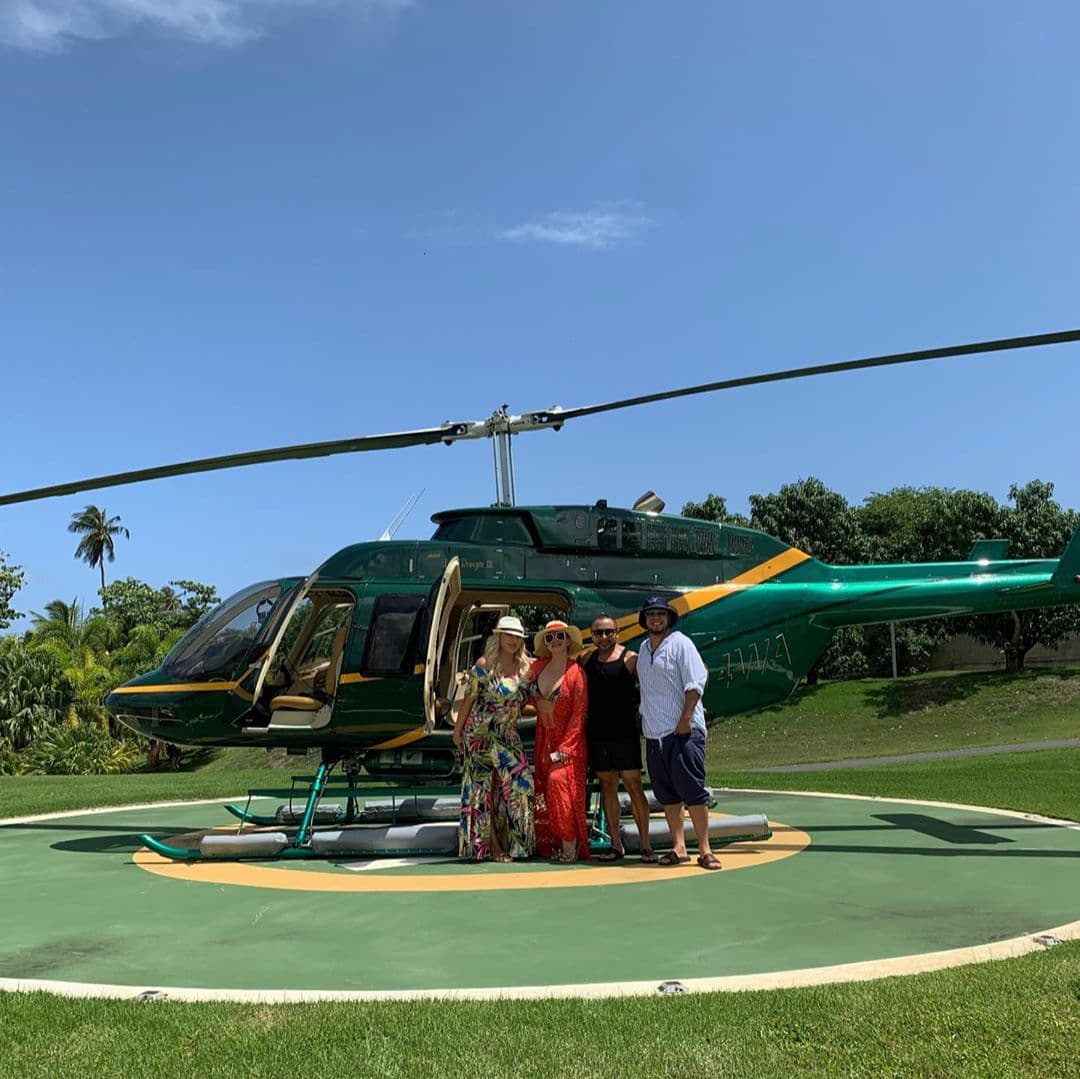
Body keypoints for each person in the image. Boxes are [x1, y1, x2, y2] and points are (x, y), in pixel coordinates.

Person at [635, 596, 720, 870]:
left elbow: (696, 682)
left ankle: (705, 849)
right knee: (668, 795)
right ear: (644, 619)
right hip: (655, 735)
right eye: (651, 614)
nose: (656, 619)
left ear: (668, 618)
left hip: (682, 731)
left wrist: (685, 719)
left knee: (693, 790)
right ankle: (679, 846)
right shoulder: (643, 649)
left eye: (660, 614)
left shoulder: (681, 643)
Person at [453, 615, 535, 862]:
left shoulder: (526, 668)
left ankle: (519, 845)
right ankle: (493, 846)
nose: (513, 640)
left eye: (517, 636)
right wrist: (457, 732)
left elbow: (522, 704)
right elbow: (469, 700)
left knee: (521, 784)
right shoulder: (484, 664)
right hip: (479, 733)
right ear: (498, 636)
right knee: (481, 792)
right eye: (508, 635)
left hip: (507, 733)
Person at [581, 615, 654, 862]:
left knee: (634, 785)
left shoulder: (631, 659)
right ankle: (615, 844)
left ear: (617, 632)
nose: (603, 637)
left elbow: (653, 684)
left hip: (625, 734)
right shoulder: (586, 659)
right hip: (598, 735)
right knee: (607, 786)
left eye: (608, 632)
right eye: (598, 633)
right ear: (592, 635)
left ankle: (645, 845)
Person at [529, 619, 590, 863]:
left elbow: (579, 713)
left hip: (569, 744)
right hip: (543, 740)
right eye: (549, 637)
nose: (555, 641)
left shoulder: (576, 672)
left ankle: (570, 844)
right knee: (545, 792)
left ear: (568, 641)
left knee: (558, 784)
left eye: (560, 636)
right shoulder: (537, 668)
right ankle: (553, 844)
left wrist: (566, 747)